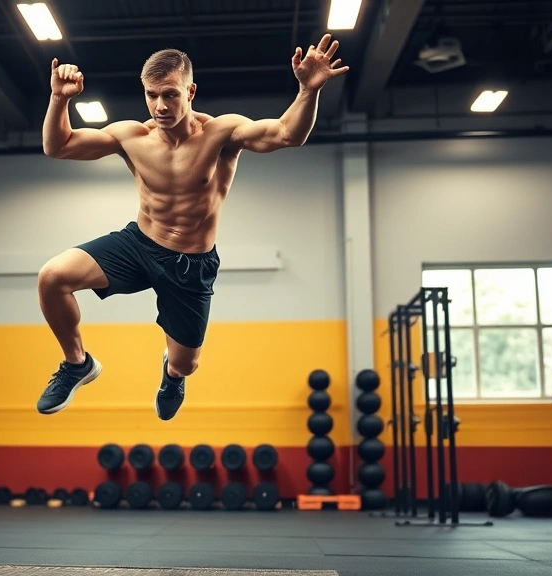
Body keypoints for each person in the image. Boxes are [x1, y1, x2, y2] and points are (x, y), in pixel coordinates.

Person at [35, 34, 349, 420]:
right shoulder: (131, 136)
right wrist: (60, 98)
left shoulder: (221, 133)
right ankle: (77, 363)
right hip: (139, 244)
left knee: (186, 364)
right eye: (151, 95)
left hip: (190, 263)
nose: (160, 105)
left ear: (191, 90)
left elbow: (287, 134)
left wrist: (307, 91)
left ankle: (172, 373)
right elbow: (58, 145)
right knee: (52, 277)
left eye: (170, 94)